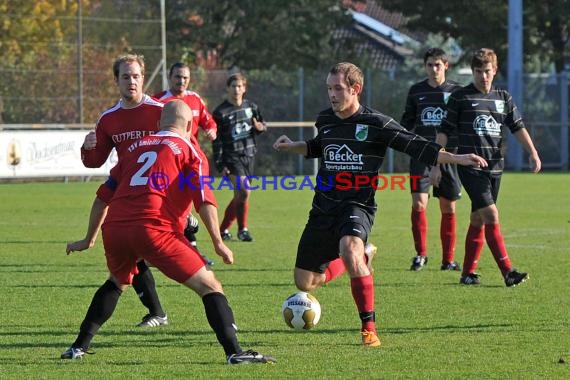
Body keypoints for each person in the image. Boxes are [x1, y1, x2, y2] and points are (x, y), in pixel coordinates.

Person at [273, 62, 487, 347]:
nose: (332, 95)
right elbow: (317, 147)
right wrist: (292, 146)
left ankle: (368, 329)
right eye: (328, 89)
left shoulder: (376, 123)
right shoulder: (325, 119)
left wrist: (457, 159)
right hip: (323, 208)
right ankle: (365, 255)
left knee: (349, 248)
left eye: (337, 88)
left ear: (355, 89)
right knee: (305, 282)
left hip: (357, 205)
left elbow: (417, 145)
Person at [61, 100, 276, 365]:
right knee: (210, 286)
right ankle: (234, 352)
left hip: (115, 228)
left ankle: (77, 348)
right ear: (189, 126)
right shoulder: (189, 149)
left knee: (116, 281)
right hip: (154, 229)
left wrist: (88, 238)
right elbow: (204, 199)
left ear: (159, 124)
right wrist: (219, 242)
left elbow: (102, 198)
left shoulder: (133, 149)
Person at [73, 54, 169, 328]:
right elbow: (95, 161)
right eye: (125, 76)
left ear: (143, 78)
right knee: (130, 252)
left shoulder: (159, 111)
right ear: (116, 81)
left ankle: (159, 312)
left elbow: (180, 149)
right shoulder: (108, 119)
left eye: (136, 76)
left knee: (136, 252)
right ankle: (158, 313)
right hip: (126, 193)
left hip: (158, 193)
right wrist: (87, 146)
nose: (131, 81)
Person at [431, 48, 541, 287]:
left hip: (495, 168)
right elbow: (443, 132)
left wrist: (532, 153)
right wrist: (435, 163)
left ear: (495, 70)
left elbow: (517, 127)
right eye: (478, 71)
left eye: (487, 71)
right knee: (491, 214)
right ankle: (508, 272)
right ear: (473, 71)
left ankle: (467, 273)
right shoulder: (461, 97)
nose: (483, 76)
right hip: (470, 166)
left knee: (478, 218)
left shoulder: (503, 98)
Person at [400, 48, 463, 271]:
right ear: (425, 66)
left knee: (448, 207)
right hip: (421, 155)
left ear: (446, 65)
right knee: (419, 203)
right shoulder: (416, 91)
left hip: (448, 156)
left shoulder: (457, 92)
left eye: (438, 65)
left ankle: (448, 260)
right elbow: (406, 122)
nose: (434, 69)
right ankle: (421, 255)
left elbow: (461, 123)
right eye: (430, 65)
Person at [153, 62, 217, 260]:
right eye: (177, 77)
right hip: (169, 159)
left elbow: (208, 119)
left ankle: (190, 248)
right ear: (169, 77)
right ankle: (187, 246)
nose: (181, 81)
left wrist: (211, 129)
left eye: (185, 78)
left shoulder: (195, 99)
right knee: (178, 208)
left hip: (192, 160)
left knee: (188, 204)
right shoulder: (158, 101)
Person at [212, 73, 266, 242]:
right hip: (231, 158)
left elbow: (261, 125)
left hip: (249, 155)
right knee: (244, 191)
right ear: (228, 88)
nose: (236, 89)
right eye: (233, 86)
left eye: (239, 86)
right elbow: (217, 140)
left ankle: (223, 230)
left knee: (241, 195)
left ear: (244, 88)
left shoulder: (251, 107)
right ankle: (243, 229)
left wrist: (260, 127)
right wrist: (220, 163)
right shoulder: (220, 112)